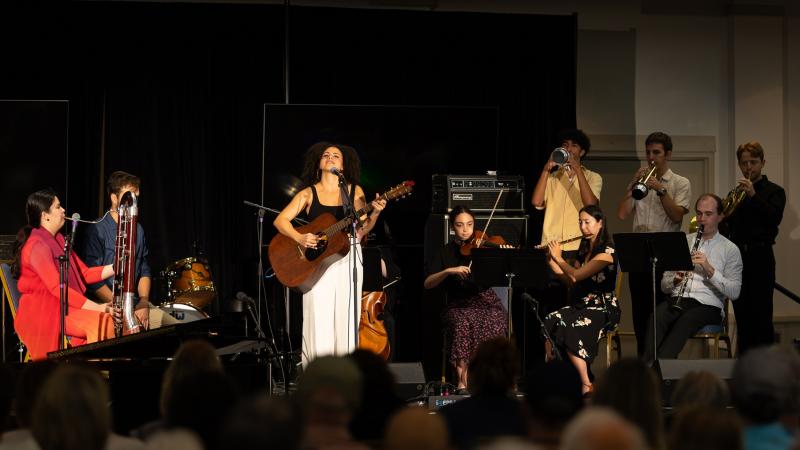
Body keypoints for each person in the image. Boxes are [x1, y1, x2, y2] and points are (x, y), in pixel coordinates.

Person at [273, 142, 386, 364]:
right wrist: (299, 237)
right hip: (316, 261)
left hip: (348, 255)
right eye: (326, 155)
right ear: (319, 163)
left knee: (346, 315)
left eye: (336, 155)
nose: (331, 157)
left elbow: (362, 229)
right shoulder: (308, 193)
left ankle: (344, 375)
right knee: (318, 314)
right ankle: (315, 373)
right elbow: (280, 220)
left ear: (343, 166)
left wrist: (375, 214)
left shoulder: (354, 191)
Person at [11, 190, 115, 360]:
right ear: (46, 216)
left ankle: (83, 371)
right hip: (44, 312)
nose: (64, 210)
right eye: (58, 207)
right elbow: (55, 288)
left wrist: (116, 266)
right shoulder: (36, 245)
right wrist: (99, 307)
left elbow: (85, 273)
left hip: (64, 308)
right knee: (104, 323)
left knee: (108, 322)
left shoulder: (59, 239)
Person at [616, 131, 691, 356]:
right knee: (640, 313)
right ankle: (643, 361)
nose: (651, 157)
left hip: (666, 256)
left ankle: (663, 363)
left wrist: (660, 189)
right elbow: (622, 214)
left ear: (668, 154)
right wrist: (632, 186)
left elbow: (677, 216)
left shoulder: (680, 182)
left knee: (660, 313)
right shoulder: (640, 182)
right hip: (640, 254)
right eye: (648, 152)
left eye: (656, 153)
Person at [643, 194, 742, 363]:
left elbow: (734, 292)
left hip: (708, 306)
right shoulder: (682, 242)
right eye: (699, 213)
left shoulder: (730, 249)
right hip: (678, 299)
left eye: (708, 214)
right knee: (656, 317)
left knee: (686, 320)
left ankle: (660, 371)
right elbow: (664, 286)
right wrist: (675, 279)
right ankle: (649, 367)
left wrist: (709, 269)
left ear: (721, 216)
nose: (702, 219)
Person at [423, 206, 508, 390]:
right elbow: (428, 283)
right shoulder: (445, 252)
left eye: (469, 225)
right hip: (458, 304)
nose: (465, 230)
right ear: (453, 227)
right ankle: (463, 379)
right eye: (460, 225)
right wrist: (448, 271)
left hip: (485, 299)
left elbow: (501, 273)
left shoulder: (482, 248)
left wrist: (501, 253)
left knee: (496, 317)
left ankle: (491, 376)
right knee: (462, 323)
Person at [82, 171, 178, 331]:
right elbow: (93, 280)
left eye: (136, 197)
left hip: (135, 303)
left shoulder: (138, 229)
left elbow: (144, 270)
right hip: (109, 306)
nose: (134, 201)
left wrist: (143, 301)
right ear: (114, 198)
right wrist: (124, 310)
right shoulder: (97, 229)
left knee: (176, 329)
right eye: (130, 196)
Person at [542, 205, 620, 395]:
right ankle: (559, 377)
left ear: (600, 223)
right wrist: (551, 260)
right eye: (580, 222)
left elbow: (577, 275)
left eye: (587, 222)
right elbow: (569, 281)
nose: (583, 227)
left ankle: (586, 383)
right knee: (551, 318)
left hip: (602, 307)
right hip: (581, 304)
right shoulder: (583, 248)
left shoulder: (607, 251)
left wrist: (559, 258)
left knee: (571, 326)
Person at [722, 142, 785, 355]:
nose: (748, 167)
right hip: (738, 258)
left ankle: (765, 372)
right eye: (744, 162)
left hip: (760, 256)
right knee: (743, 317)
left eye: (753, 162)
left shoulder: (775, 191)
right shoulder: (735, 193)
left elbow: (773, 218)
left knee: (761, 317)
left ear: (762, 163)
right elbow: (728, 228)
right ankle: (744, 369)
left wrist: (753, 196)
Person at [531, 129, 602, 258]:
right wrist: (546, 169)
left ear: (582, 152)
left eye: (574, 145)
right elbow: (536, 202)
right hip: (551, 245)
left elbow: (591, 205)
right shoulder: (552, 177)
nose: (568, 149)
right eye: (565, 145)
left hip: (578, 245)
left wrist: (577, 170)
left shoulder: (593, 177)